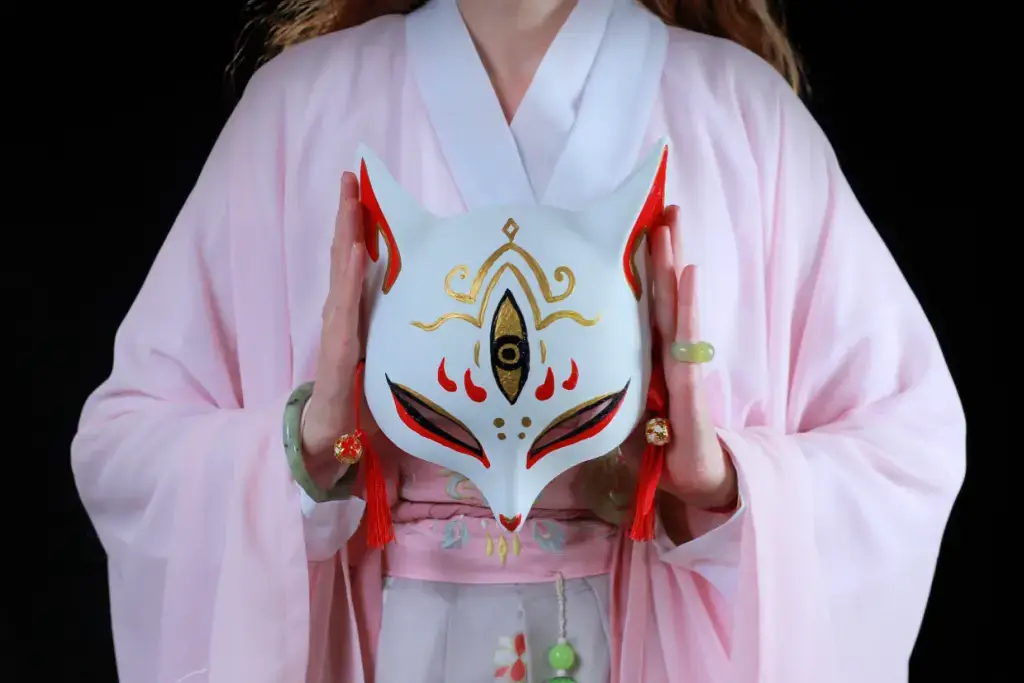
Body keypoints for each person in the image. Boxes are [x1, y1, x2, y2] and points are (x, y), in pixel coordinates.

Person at [71, 0, 966, 682]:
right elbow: (127, 442)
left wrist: (721, 486)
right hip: (388, 642)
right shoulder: (297, 110)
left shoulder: (743, 115)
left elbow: (907, 446)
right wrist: (306, 446)